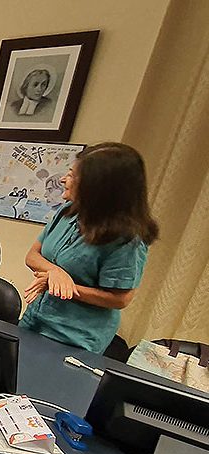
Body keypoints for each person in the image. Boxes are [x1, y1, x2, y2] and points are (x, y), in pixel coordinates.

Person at [19, 143, 158, 354]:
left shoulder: (127, 239)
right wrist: (56, 272)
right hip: (35, 319)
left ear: (98, 187)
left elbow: (120, 298)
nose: (64, 180)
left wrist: (66, 287)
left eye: (73, 176)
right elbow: (32, 256)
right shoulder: (68, 211)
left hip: (75, 337)